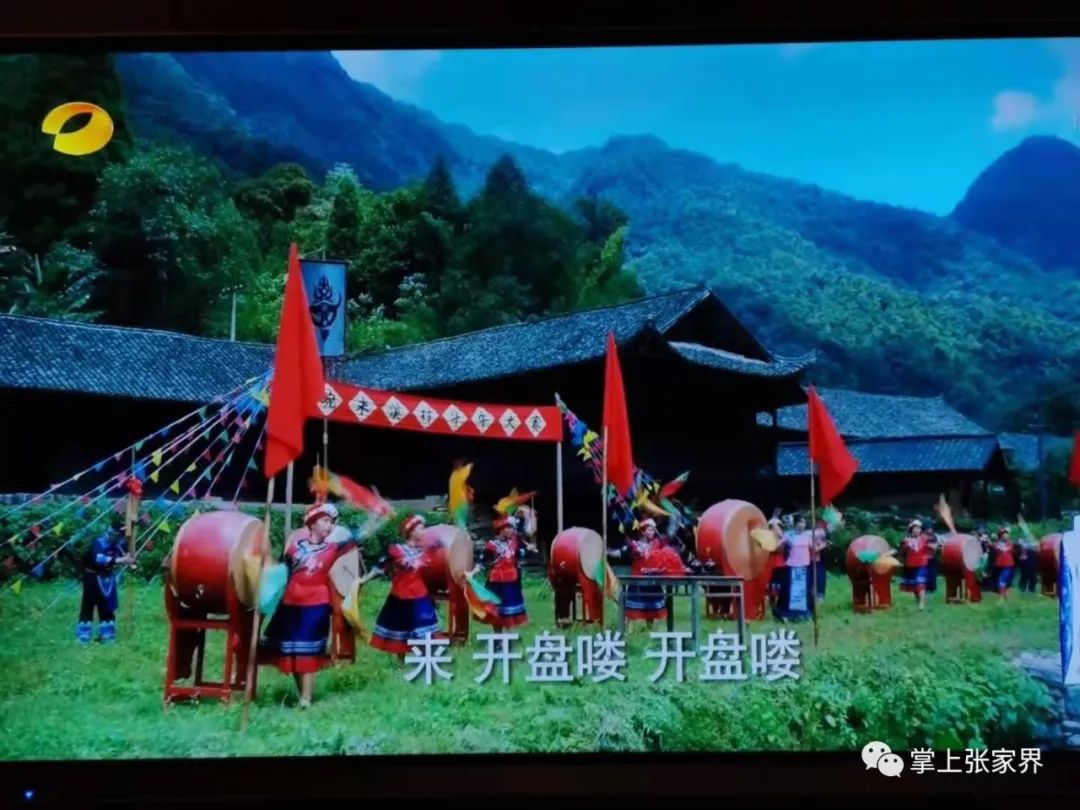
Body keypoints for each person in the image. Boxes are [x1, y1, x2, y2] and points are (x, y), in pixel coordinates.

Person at [260, 502, 377, 708]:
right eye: (325, 521)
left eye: (331, 522)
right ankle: (301, 695)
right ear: (312, 523)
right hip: (290, 605)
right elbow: (281, 575)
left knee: (306, 651)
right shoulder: (294, 549)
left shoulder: (332, 549)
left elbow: (358, 536)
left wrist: (375, 518)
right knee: (292, 651)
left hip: (315, 606)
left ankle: (306, 699)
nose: (329, 526)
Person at [361, 514, 444, 659]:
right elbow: (381, 566)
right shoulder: (396, 550)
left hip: (419, 595)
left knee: (424, 629)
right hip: (400, 596)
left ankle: (424, 660)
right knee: (400, 629)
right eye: (421, 528)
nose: (424, 531)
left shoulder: (426, 550)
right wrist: (363, 580)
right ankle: (402, 660)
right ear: (411, 531)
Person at [473, 513, 538, 629]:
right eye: (510, 528)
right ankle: (497, 634)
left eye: (513, 528)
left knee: (509, 611)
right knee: (496, 610)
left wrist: (530, 548)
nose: (512, 531)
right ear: (502, 529)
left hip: (511, 582)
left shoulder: (516, 542)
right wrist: (473, 572)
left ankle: (508, 636)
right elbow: (482, 562)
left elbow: (523, 551)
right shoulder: (491, 545)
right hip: (495, 583)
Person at [76, 520, 133, 645]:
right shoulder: (98, 542)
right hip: (92, 577)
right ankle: (84, 636)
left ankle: (107, 635)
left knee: (106, 605)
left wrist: (127, 559)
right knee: (88, 605)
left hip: (107, 577)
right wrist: (120, 560)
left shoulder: (117, 545)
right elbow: (99, 559)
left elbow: (120, 558)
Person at [607, 518, 669, 628]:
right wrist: (608, 552)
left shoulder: (657, 544)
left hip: (652, 581)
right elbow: (620, 553)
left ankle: (649, 628)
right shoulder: (634, 545)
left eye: (653, 530)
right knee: (632, 607)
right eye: (650, 530)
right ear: (643, 532)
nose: (652, 532)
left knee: (651, 607)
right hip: (637, 581)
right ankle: (628, 629)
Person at [773, 516, 813, 622]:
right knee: (789, 590)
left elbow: (813, 547)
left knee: (803, 591)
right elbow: (777, 546)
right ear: (795, 524)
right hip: (792, 566)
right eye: (800, 523)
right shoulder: (789, 535)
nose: (802, 525)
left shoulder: (807, 536)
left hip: (804, 566)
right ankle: (785, 613)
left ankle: (804, 613)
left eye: (804, 523)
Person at [899, 518, 934, 611]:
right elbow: (901, 551)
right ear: (911, 529)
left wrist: (931, 547)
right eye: (916, 528)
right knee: (913, 586)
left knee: (920, 583)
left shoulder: (924, 538)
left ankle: (921, 604)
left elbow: (932, 547)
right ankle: (919, 600)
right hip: (910, 565)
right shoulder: (906, 540)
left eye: (919, 528)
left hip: (921, 564)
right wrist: (905, 546)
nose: (918, 530)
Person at [766, 516, 786, 607]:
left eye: (778, 526)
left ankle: (779, 602)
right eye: (772, 527)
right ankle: (772, 601)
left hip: (780, 563)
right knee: (771, 584)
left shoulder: (783, 537)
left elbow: (780, 549)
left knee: (779, 584)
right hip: (770, 563)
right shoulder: (766, 537)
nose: (775, 528)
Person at [991, 527, 1016, 598]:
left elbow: (1009, 549)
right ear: (1001, 536)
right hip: (1000, 564)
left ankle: (1002, 592)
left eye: (1007, 534)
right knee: (1002, 578)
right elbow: (995, 548)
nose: (1006, 536)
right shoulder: (997, 544)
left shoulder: (1009, 543)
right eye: (1004, 534)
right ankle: (1002, 592)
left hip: (1008, 564)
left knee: (1004, 578)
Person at [811, 520, 830, 604]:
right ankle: (812, 595)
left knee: (820, 578)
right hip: (810, 561)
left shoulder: (825, 541)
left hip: (820, 562)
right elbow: (813, 550)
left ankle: (820, 595)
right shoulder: (810, 537)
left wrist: (824, 545)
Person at [923, 522, 939, 595]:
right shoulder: (922, 536)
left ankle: (932, 588)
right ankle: (925, 588)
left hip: (932, 558)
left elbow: (935, 547)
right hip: (924, 558)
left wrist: (927, 544)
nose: (930, 530)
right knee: (925, 574)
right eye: (929, 528)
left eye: (931, 528)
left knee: (932, 574)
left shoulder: (934, 536)